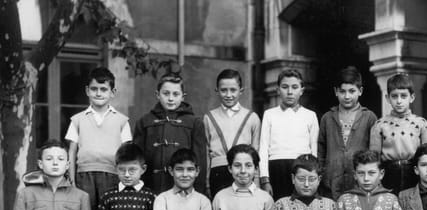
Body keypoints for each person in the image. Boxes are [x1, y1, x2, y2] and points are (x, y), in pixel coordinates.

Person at [65, 66, 131, 210]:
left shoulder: (122, 121)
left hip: (112, 175)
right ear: (87, 91)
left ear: (112, 92)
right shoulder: (77, 120)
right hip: (84, 175)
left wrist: (124, 180)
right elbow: (72, 151)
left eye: (103, 89)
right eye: (94, 89)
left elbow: (126, 154)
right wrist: (72, 181)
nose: (98, 93)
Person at [133, 73, 208, 195]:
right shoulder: (144, 122)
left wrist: (198, 194)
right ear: (157, 94)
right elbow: (137, 161)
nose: (171, 98)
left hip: (184, 190)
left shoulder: (194, 123)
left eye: (176, 94)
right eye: (166, 93)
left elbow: (200, 163)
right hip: (151, 188)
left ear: (183, 97)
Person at [318, 66, 377, 201]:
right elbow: (321, 150)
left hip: (359, 180)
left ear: (360, 91)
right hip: (331, 181)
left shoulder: (369, 117)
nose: (347, 96)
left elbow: (374, 152)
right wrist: (323, 173)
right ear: (336, 91)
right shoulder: (327, 118)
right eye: (342, 91)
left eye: (352, 91)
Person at [259, 68, 318, 200]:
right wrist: (265, 179)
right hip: (276, 168)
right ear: (278, 90)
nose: (290, 92)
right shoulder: (269, 114)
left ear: (301, 90)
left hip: (302, 169)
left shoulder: (310, 115)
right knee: (278, 205)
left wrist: (312, 176)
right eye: (285, 87)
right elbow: (263, 148)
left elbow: (314, 149)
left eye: (294, 87)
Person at [369, 72, 427, 193]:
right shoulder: (380, 125)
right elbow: (374, 158)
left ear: (412, 97)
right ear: (387, 98)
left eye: (403, 96)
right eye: (394, 96)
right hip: (388, 176)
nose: (399, 101)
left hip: (414, 175)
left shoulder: (421, 123)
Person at [204, 69, 261, 198]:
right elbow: (206, 153)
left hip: (244, 172)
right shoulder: (209, 117)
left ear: (241, 90)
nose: (228, 95)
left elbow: (256, 152)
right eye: (224, 90)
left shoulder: (252, 117)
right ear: (217, 91)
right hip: (217, 172)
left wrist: (257, 181)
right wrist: (206, 181)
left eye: (233, 90)